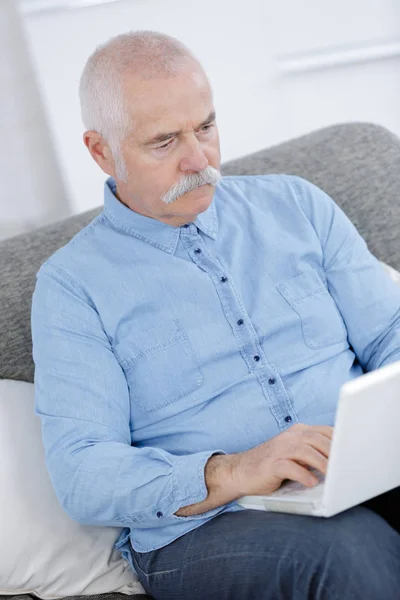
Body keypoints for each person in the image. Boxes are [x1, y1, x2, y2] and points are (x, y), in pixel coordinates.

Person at [31, 30, 400, 600]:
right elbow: (83, 471)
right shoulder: (71, 286)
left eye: (205, 126)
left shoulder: (297, 205)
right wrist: (233, 470)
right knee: (350, 553)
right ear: (101, 150)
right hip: (207, 527)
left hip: (359, 471)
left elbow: (390, 332)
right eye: (164, 142)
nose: (199, 159)